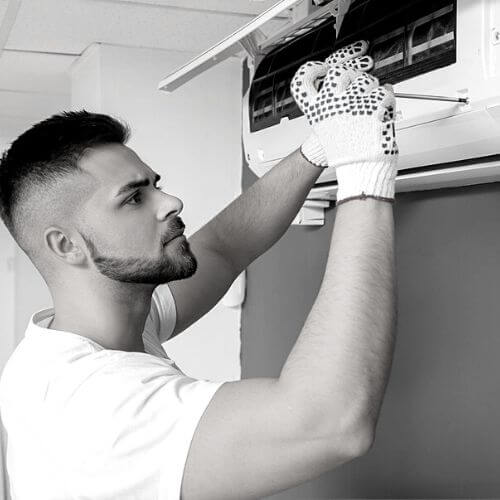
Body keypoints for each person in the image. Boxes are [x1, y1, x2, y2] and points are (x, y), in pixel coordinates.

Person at [0, 40, 398, 499]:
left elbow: (224, 247)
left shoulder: (76, 338)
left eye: (156, 186)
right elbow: (331, 422)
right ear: (67, 246)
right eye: (134, 198)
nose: (171, 202)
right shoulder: (98, 407)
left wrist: (320, 145)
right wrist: (365, 167)